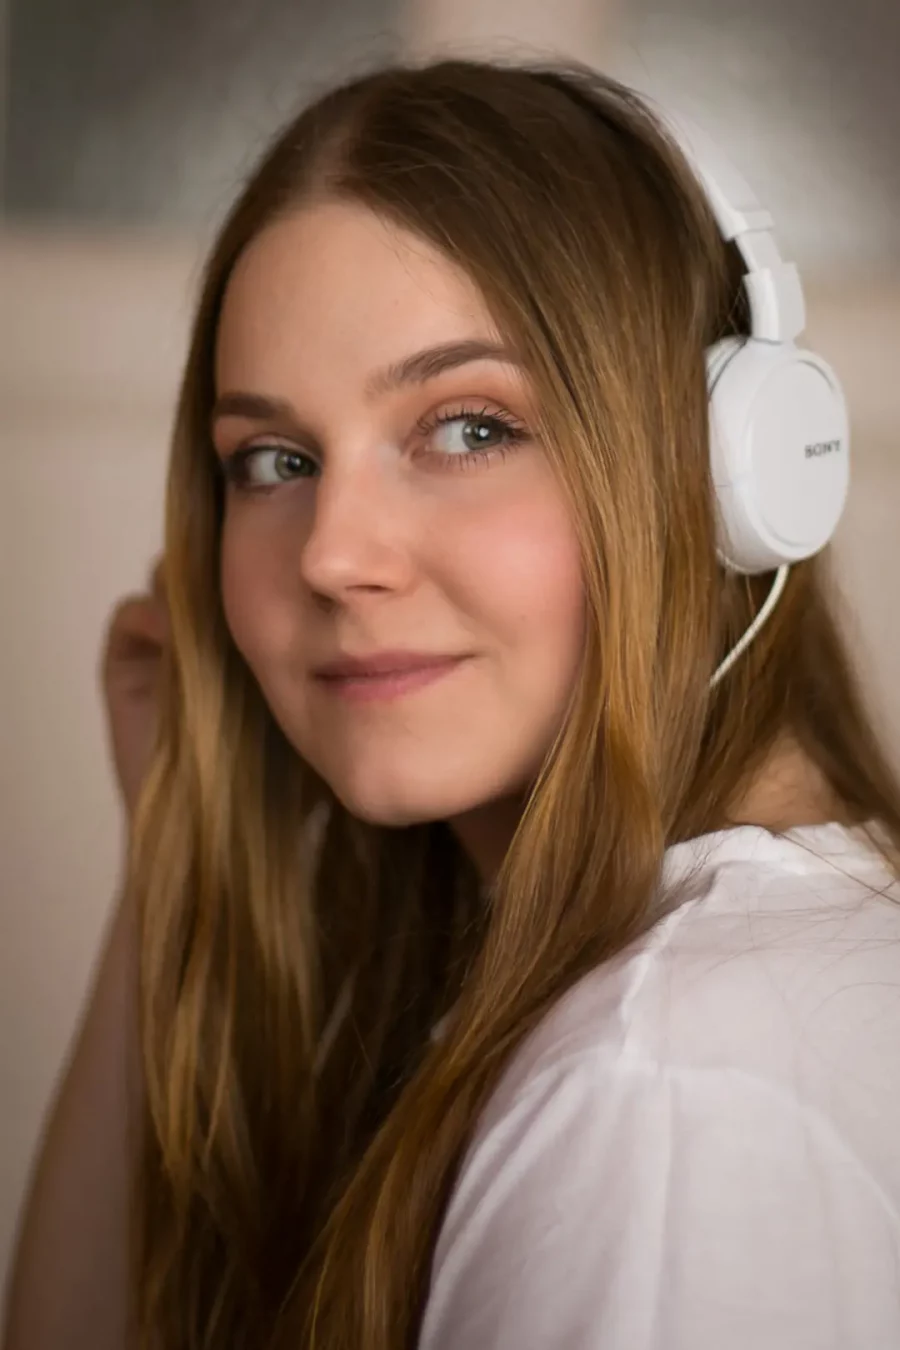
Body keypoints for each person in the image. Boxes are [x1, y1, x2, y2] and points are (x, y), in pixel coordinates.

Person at [4, 57, 900, 1350]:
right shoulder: (715, 981)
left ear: (724, 478)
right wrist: (171, 848)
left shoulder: (669, 1093)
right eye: (274, 459)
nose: (328, 552)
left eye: (468, 427)